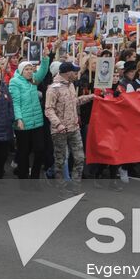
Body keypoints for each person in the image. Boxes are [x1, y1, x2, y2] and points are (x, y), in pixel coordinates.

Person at [9, 55, 50, 179]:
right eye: (26, 69)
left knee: (39, 149)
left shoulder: (33, 80)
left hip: (36, 121)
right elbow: (15, 102)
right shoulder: (15, 82)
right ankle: (23, 175)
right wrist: (18, 119)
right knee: (24, 151)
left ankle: (35, 176)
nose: (29, 71)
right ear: (21, 71)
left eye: (31, 69)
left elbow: (43, 71)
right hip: (23, 122)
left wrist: (45, 58)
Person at [45, 61, 85, 189]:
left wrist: (89, 97)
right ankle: (60, 187)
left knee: (79, 158)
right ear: (68, 73)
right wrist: (58, 124)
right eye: (74, 71)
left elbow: (74, 102)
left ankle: (75, 186)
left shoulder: (71, 85)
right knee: (61, 160)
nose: (76, 73)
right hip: (60, 130)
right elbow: (49, 109)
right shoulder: (53, 88)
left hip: (74, 128)